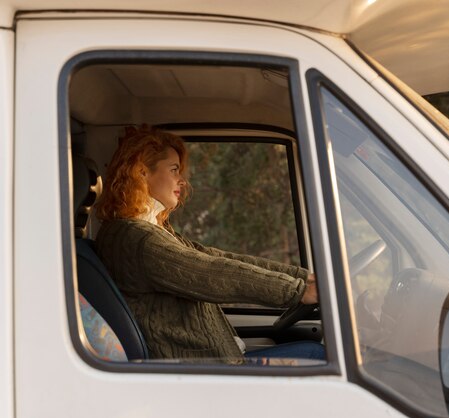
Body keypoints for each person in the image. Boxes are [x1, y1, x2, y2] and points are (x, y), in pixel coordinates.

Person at [94, 126, 323, 364]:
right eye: (174, 170)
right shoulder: (138, 239)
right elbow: (212, 273)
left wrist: (304, 278)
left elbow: (217, 258)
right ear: (142, 173)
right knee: (318, 355)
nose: (182, 180)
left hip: (214, 360)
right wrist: (298, 291)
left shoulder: (146, 230)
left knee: (313, 352)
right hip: (203, 369)